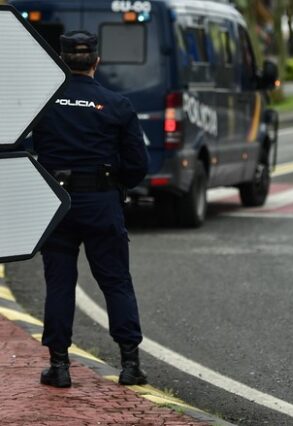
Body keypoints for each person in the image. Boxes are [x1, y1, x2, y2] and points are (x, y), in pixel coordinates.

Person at [31, 30, 149, 388]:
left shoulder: (43, 102)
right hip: (101, 203)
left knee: (60, 283)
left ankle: (60, 367)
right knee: (115, 282)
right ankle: (130, 365)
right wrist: (116, 185)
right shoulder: (117, 105)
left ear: (63, 61)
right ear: (97, 61)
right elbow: (137, 164)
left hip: (57, 204)